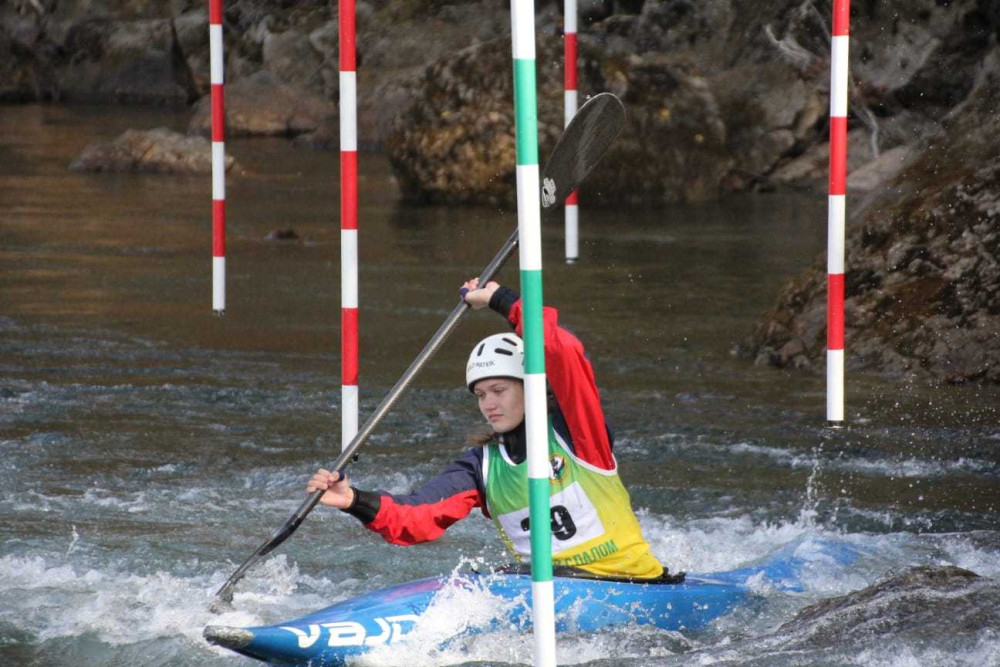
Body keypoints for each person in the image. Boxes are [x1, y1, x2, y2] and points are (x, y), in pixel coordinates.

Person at [307, 278, 680, 581]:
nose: (489, 404)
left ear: (532, 385)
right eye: (481, 395)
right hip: (544, 589)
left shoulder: (580, 435)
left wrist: (502, 300)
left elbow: (563, 352)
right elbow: (417, 514)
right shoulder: (479, 467)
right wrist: (355, 500)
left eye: (499, 391)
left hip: (630, 582)